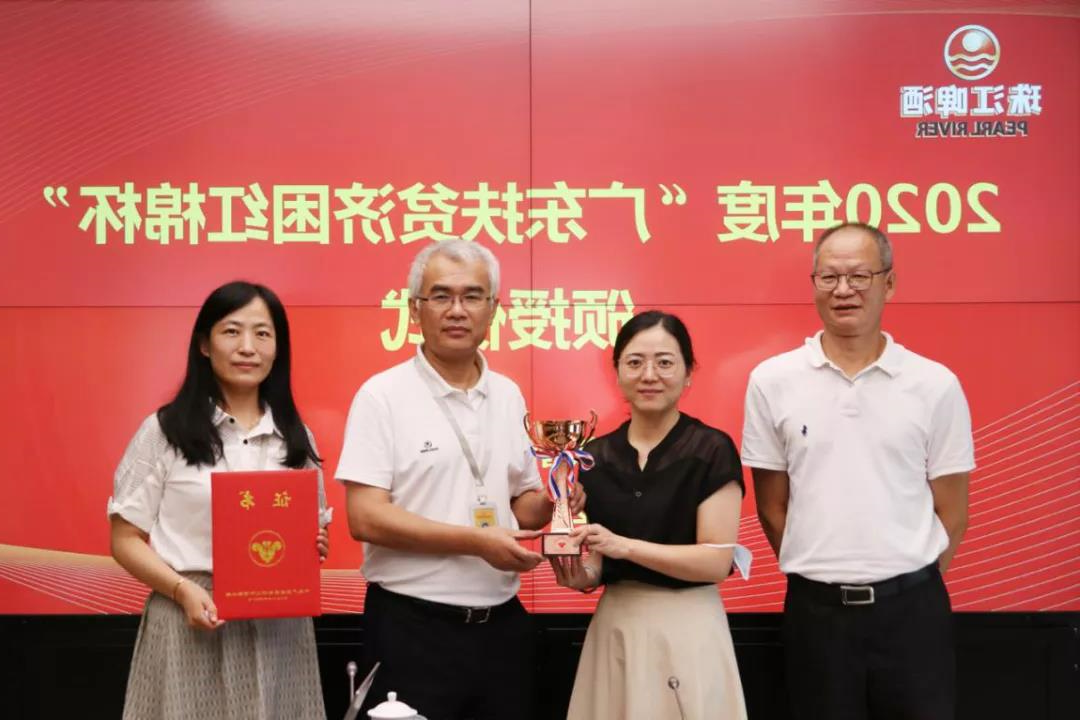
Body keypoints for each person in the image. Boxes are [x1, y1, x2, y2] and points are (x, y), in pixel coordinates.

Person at [337, 239, 583, 720]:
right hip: (411, 627)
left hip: (502, 629)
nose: (457, 310)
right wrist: (476, 542)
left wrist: (558, 497)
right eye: (441, 296)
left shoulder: (507, 395)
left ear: (493, 309)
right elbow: (364, 518)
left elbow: (520, 503)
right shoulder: (382, 396)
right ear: (415, 309)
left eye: (472, 296)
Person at [741, 222, 974, 720]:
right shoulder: (772, 380)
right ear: (814, 285)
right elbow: (771, 507)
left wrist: (905, 580)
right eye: (829, 277)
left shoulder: (934, 384)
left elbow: (953, 512)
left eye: (859, 276)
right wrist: (825, 573)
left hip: (913, 614)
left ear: (889, 283)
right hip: (816, 616)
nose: (843, 289)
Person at [108, 281, 331, 720]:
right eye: (232, 331)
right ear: (204, 345)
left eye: (262, 334)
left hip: (278, 629)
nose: (248, 347)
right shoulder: (164, 431)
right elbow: (124, 538)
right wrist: (182, 590)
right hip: (189, 617)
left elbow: (310, 530)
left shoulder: (296, 438)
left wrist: (313, 545)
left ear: (278, 349)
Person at [551, 310, 748, 720]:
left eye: (665, 362)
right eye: (635, 362)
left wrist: (625, 546)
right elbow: (598, 564)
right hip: (617, 625)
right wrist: (578, 574)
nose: (649, 375)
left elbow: (715, 560)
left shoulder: (711, 449)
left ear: (689, 372)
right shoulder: (592, 457)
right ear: (617, 372)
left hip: (690, 626)